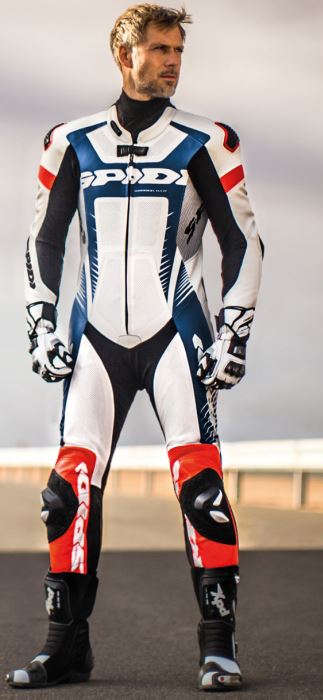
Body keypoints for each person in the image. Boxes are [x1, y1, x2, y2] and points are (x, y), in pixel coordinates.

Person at [6, 3, 263, 692]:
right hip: (91, 337)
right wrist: (40, 324)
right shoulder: (70, 140)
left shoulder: (208, 139)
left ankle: (219, 647)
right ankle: (65, 647)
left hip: (178, 331)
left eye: (179, 49)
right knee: (65, 495)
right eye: (160, 49)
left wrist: (234, 330)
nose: (173, 61)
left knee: (202, 491)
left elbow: (242, 242)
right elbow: (43, 239)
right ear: (125, 55)